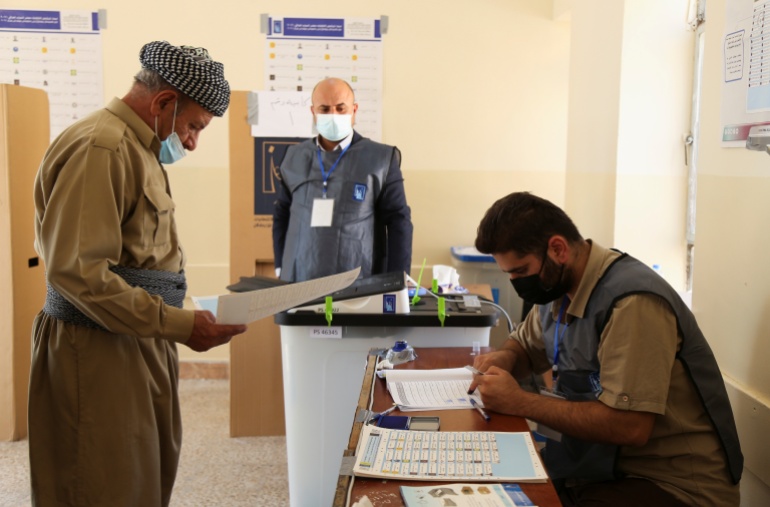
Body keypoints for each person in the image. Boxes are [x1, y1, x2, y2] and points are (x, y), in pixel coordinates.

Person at [29, 41, 247, 506]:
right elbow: (80, 273)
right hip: (96, 348)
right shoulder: (101, 149)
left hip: (137, 337)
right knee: (100, 485)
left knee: (141, 482)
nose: (191, 142)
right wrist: (181, 325)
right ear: (164, 102)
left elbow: (136, 259)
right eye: (193, 126)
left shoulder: (138, 147)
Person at [469, 192, 742, 507]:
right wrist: (504, 358)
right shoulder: (558, 286)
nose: (517, 282)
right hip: (596, 467)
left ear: (557, 248)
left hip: (670, 485)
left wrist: (519, 402)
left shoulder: (632, 302)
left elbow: (629, 426)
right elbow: (524, 347)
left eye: (520, 271)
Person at [272, 77, 413, 282]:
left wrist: (398, 278)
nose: (333, 115)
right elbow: (281, 214)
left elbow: (399, 221)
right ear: (313, 112)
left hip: (359, 281)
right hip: (298, 281)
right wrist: (280, 266)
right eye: (325, 109)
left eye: (340, 108)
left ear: (354, 110)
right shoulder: (294, 157)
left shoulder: (381, 159)